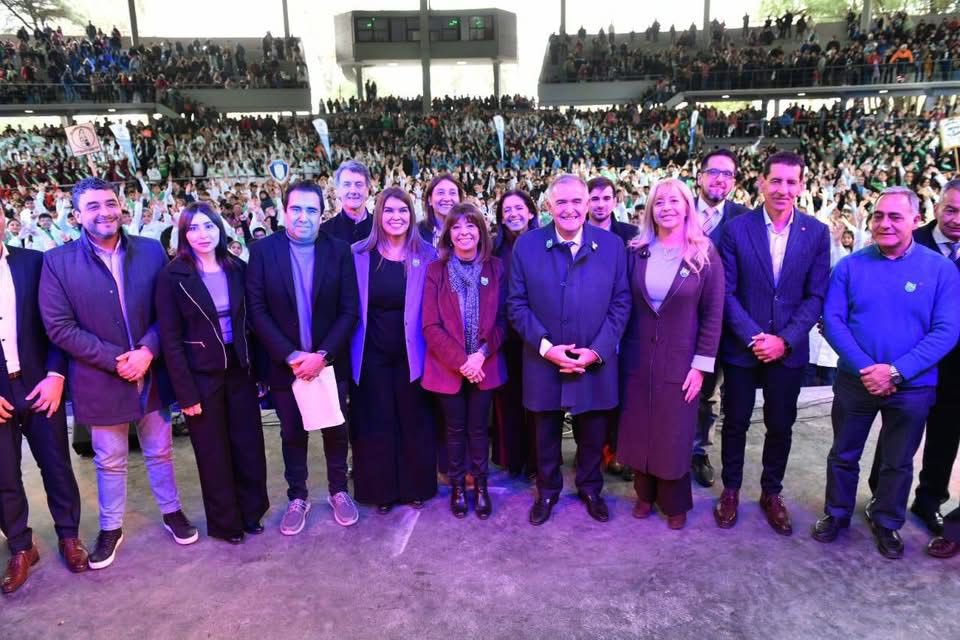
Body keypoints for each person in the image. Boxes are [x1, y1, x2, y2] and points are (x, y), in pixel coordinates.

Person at [40, 176, 197, 571]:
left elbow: (169, 311)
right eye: (92, 206)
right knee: (109, 460)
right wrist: (117, 360)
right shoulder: (57, 263)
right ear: (76, 215)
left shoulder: (149, 251)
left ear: (121, 206)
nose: (104, 212)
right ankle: (111, 527)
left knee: (160, 451)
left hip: (152, 371)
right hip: (100, 377)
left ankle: (172, 510)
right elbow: (59, 326)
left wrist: (147, 350)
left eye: (109, 203)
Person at [813, 187, 960, 559]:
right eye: (879, 216)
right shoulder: (849, 266)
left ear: (915, 220)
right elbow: (832, 320)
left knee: (898, 461)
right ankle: (837, 514)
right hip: (855, 381)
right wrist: (866, 367)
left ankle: (887, 521)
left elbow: (946, 331)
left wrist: (896, 371)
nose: (885, 223)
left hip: (913, 387)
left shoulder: (941, 270)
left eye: (895, 217)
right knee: (844, 454)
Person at [713, 152, 830, 536]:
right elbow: (726, 293)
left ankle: (771, 492)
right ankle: (730, 489)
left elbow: (815, 296)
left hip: (788, 349)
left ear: (801, 186)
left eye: (791, 182)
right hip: (742, 347)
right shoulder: (736, 229)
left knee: (781, 425)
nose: (783, 189)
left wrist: (785, 340)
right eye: (775, 181)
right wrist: (753, 338)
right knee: (735, 423)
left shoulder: (815, 232)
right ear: (761, 182)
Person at [508, 174, 630, 526]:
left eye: (577, 201)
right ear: (548, 206)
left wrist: (597, 351)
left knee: (593, 433)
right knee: (544, 434)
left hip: (595, 360)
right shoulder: (527, 246)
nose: (570, 209)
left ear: (588, 204)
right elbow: (516, 305)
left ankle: (591, 488)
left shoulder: (611, 246)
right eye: (561, 202)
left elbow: (621, 304)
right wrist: (547, 349)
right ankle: (547, 491)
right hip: (543, 359)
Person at [247, 180, 360, 534]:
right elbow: (257, 310)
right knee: (292, 433)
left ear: (321, 214)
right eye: (296, 209)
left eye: (311, 210)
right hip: (286, 366)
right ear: (283, 212)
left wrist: (322, 356)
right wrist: (292, 355)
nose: (303, 217)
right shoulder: (264, 251)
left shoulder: (338, 250)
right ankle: (298, 496)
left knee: (334, 430)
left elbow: (349, 310)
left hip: (328, 362)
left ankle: (339, 491)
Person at [155, 203, 269, 545]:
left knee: (248, 445)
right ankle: (225, 523)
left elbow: (253, 325)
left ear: (220, 230)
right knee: (212, 451)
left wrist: (259, 370)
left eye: (209, 226)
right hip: (200, 376)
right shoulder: (173, 275)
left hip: (239, 370)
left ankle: (251, 513)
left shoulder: (238, 268)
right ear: (184, 234)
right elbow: (170, 339)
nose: (202, 234)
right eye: (194, 228)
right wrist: (185, 394)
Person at [617, 179, 724, 530]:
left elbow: (713, 313)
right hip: (637, 356)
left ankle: (674, 501)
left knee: (673, 431)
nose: (666, 207)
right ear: (650, 209)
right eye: (659, 201)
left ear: (686, 206)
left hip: (682, 359)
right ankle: (644, 494)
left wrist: (701, 365)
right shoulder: (636, 250)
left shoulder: (704, 252)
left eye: (673, 200)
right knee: (639, 426)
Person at [0, 213, 87, 594]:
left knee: (56, 465)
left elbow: (56, 323)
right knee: (3, 476)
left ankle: (69, 535)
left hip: (40, 385)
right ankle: (21, 546)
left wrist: (56, 376)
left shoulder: (35, 262)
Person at [869, 181, 960, 539]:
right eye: (951, 209)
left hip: (955, 365)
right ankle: (880, 496)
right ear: (935, 208)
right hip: (905, 361)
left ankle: (929, 500)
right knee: (897, 432)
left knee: (945, 435)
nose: (957, 219)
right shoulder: (906, 237)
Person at [350, 187, 438, 513]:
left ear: (411, 216)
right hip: (369, 354)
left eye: (403, 211)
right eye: (389, 211)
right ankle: (381, 491)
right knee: (376, 422)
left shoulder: (427, 255)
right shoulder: (358, 254)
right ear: (378, 215)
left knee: (414, 421)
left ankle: (415, 486)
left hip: (414, 353)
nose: (396, 217)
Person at [422, 203, 507, 519]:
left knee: (479, 430)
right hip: (449, 368)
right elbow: (430, 325)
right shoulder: (436, 271)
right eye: (456, 227)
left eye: (470, 226)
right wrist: (463, 362)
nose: (464, 232)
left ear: (480, 231)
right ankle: (458, 486)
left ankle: (481, 485)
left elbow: (503, 320)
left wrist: (481, 355)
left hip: (485, 364)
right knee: (454, 430)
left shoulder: (496, 268)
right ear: (449, 234)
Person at [691, 149, 749, 488]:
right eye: (713, 172)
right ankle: (670, 447)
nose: (719, 179)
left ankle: (699, 450)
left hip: (723, 323)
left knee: (708, 393)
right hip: (678, 319)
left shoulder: (743, 218)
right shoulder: (679, 210)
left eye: (727, 174)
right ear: (699, 176)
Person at [586, 176, 638, 481]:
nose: (601, 204)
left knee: (621, 392)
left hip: (623, 323)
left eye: (606, 198)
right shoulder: (576, 233)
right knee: (593, 391)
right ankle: (592, 448)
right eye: (595, 199)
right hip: (589, 326)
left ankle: (618, 450)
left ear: (615, 201)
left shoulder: (630, 235)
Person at [491, 190, 538, 478]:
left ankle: (537, 461)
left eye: (519, 208)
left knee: (537, 402)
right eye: (507, 210)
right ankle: (512, 458)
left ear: (531, 212)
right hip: (505, 337)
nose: (513, 214)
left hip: (537, 337)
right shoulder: (495, 251)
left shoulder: (546, 243)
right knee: (508, 401)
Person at [320, 159, 374, 245]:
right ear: (338, 191)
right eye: (347, 184)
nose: (353, 191)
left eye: (359, 184)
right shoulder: (324, 233)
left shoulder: (382, 228)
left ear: (368, 190)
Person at [418, 174, 464, 247]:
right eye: (440, 193)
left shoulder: (467, 231)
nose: (447, 199)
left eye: (452, 193)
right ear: (430, 200)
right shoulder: (416, 232)